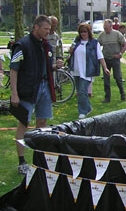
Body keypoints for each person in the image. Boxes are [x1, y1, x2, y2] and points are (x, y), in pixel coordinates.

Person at [9, 15, 64, 175]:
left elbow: (46, 66)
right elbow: (14, 70)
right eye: (46, 29)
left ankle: (41, 159)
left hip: (45, 88)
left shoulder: (46, 46)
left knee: (42, 122)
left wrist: (55, 66)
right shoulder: (22, 45)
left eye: (50, 29)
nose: (49, 31)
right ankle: (21, 161)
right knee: (23, 123)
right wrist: (14, 94)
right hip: (27, 91)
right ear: (36, 27)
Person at [69, 23, 110, 119]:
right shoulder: (76, 41)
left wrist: (105, 68)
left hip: (87, 71)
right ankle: (88, 107)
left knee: (83, 91)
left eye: (85, 32)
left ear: (89, 32)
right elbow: (71, 52)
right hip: (77, 70)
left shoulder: (94, 43)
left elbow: (100, 57)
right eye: (81, 32)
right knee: (79, 91)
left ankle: (82, 111)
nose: (83, 34)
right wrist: (71, 50)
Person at [98, 19, 126, 102]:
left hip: (115, 59)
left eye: (106, 27)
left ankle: (122, 94)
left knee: (118, 77)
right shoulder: (102, 35)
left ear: (111, 26)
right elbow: (97, 46)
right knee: (106, 79)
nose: (105, 29)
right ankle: (107, 97)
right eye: (104, 27)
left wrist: (120, 54)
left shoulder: (117, 34)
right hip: (106, 59)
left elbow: (125, 45)